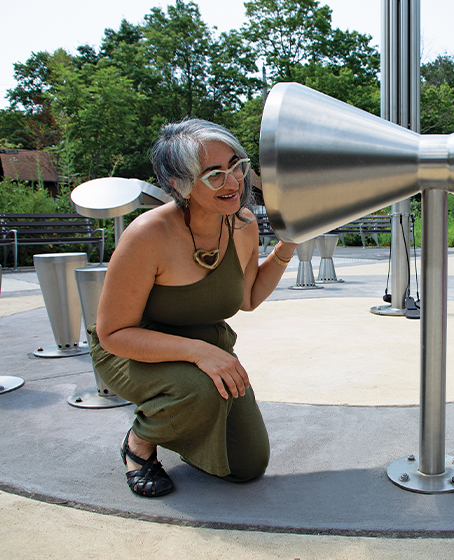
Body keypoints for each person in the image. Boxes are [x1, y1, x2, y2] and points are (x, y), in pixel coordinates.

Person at [89, 119, 298, 497]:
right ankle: (139, 444)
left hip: (204, 347)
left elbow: (247, 298)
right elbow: (113, 333)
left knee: (246, 466)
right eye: (213, 175)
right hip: (134, 349)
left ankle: (181, 419)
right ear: (179, 184)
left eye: (236, 165)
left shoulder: (243, 223)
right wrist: (200, 353)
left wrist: (288, 245)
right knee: (199, 391)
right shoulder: (147, 235)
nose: (234, 182)